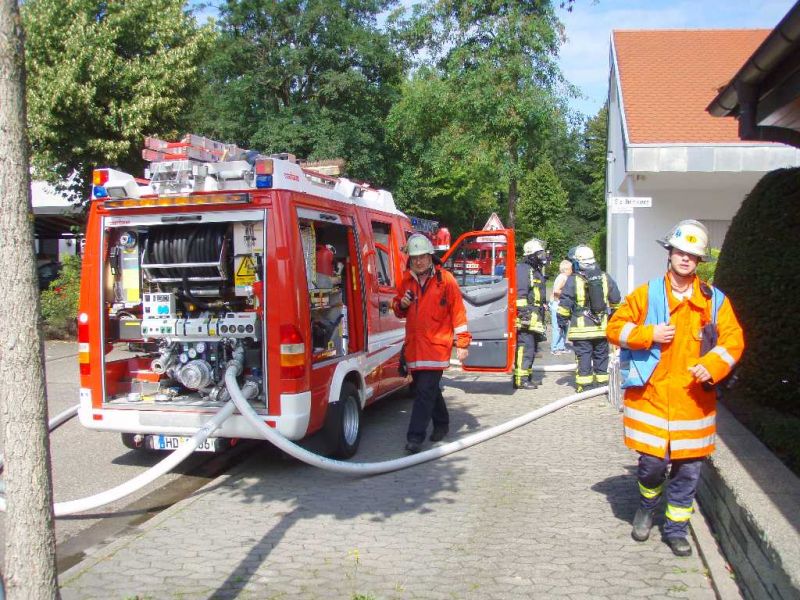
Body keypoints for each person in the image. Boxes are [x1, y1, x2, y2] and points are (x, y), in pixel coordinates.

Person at [606, 219, 744, 557]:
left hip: (693, 403)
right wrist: (648, 334)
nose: (685, 259)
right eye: (680, 252)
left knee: (688, 470)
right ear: (670, 254)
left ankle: (676, 529)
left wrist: (710, 366)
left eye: (692, 255)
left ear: (699, 262)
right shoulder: (647, 294)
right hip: (651, 399)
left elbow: (734, 340)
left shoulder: (714, 300)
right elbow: (615, 328)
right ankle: (646, 507)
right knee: (652, 465)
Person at [393, 233, 471, 454]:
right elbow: (398, 310)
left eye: (422, 257)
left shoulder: (445, 280)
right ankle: (442, 423)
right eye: (414, 257)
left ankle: (415, 437)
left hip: (437, 347)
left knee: (424, 391)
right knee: (426, 389)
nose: (418, 261)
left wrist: (463, 343)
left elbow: (458, 312)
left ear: (430, 257)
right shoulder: (406, 281)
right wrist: (402, 304)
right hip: (415, 348)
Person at [557, 245, 621, 391]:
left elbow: (565, 302)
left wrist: (562, 320)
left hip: (581, 330)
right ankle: (603, 384)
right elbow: (616, 298)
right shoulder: (604, 277)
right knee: (601, 356)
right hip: (601, 328)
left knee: (584, 357)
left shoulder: (573, 280)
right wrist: (612, 318)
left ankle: (585, 386)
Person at [513, 238, 549, 389]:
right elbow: (520, 294)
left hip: (535, 316)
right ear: (531, 255)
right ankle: (520, 379)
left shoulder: (535, 270)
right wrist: (524, 314)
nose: (543, 257)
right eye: (539, 254)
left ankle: (527, 375)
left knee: (532, 348)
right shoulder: (522, 269)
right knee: (525, 347)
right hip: (526, 317)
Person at [549, 259, 573, 355]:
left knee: (563, 326)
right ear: (566, 269)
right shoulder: (563, 277)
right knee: (558, 327)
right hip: (557, 305)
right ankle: (554, 348)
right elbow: (556, 290)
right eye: (571, 269)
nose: (572, 270)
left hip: (560, 304)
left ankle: (561, 346)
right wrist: (567, 294)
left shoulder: (563, 277)